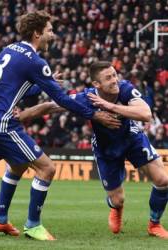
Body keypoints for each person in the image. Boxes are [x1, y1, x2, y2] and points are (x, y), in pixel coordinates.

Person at [0, 11, 120, 240]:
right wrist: (94, 114)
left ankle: (0, 221)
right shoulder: (35, 61)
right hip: (2, 122)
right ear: (37, 33)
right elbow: (62, 100)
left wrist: (47, 80)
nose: (52, 36)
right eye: (49, 31)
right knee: (47, 168)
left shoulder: (10, 49)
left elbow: (16, 87)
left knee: (17, 166)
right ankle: (33, 225)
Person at [16, 61, 168, 239]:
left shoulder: (125, 89)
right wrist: (21, 116)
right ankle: (115, 207)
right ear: (96, 84)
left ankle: (154, 224)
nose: (114, 80)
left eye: (114, 75)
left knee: (163, 180)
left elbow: (145, 114)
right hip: (106, 149)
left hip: (132, 139)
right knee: (118, 199)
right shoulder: (86, 98)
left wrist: (109, 106)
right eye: (109, 77)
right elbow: (51, 106)